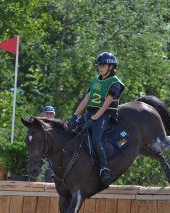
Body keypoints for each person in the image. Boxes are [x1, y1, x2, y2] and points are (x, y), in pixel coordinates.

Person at [68, 52, 125, 185]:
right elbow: (86, 100)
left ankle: (104, 169)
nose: (100, 67)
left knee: (96, 139)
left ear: (111, 67)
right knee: (71, 132)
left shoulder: (115, 83)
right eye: (99, 65)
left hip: (104, 115)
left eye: (103, 65)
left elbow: (106, 104)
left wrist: (94, 119)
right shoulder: (95, 80)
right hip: (90, 112)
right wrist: (75, 116)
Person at [39, 105, 56, 182]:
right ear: (43, 115)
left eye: (51, 113)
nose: (49, 115)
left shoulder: (58, 127)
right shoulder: (38, 127)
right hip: (41, 157)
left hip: (55, 157)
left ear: (54, 115)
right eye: (47, 113)